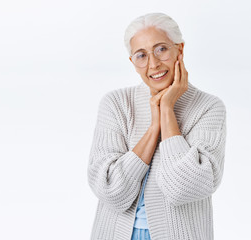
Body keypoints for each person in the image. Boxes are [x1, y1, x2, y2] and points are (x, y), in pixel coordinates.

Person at [87, 12, 227, 240]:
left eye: (161, 49)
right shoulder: (116, 104)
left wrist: (167, 110)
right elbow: (110, 189)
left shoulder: (209, 107)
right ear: (133, 62)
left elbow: (185, 187)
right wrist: (154, 127)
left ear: (179, 50)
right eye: (141, 55)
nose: (153, 64)